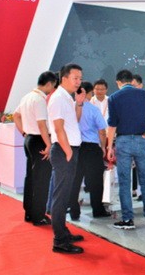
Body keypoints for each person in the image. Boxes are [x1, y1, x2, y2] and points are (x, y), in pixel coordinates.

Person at [106, 69, 145, 229]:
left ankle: (128, 219)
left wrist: (109, 147)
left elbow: (112, 124)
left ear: (118, 82)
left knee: (124, 181)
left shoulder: (114, 97)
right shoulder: (144, 94)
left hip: (122, 141)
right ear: (131, 80)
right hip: (140, 140)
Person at [47, 63, 86, 254]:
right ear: (64, 78)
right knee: (61, 196)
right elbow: (58, 127)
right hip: (64, 151)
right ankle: (59, 241)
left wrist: (79, 103)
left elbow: (74, 121)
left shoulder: (67, 98)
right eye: (75, 78)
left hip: (69, 149)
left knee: (65, 194)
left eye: (80, 78)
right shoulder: (58, 98)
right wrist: (68, 151)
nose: (78, 82)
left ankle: (63, 232)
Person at [13, 71, 58, 226]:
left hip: (29, 139)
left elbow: (15, 116)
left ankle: (29, 213)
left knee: (31, 177)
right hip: (39, 140)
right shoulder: (39, 99)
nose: (52, 89)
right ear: (49, 84)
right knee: (41, 179)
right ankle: (38, 215)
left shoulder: (27, 97)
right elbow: (41, 124)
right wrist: (48, 144)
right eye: (53, 86)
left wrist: (24, 133)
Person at [68, 81, 111, 220]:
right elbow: (102, 131)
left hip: (75, 147)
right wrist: (103, 147)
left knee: (75, 180)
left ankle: (74, 211)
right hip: (92, 148)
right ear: (89, 92)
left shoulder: (71, 107)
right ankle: (97, 210)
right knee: (95, 181)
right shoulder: (93, 109)